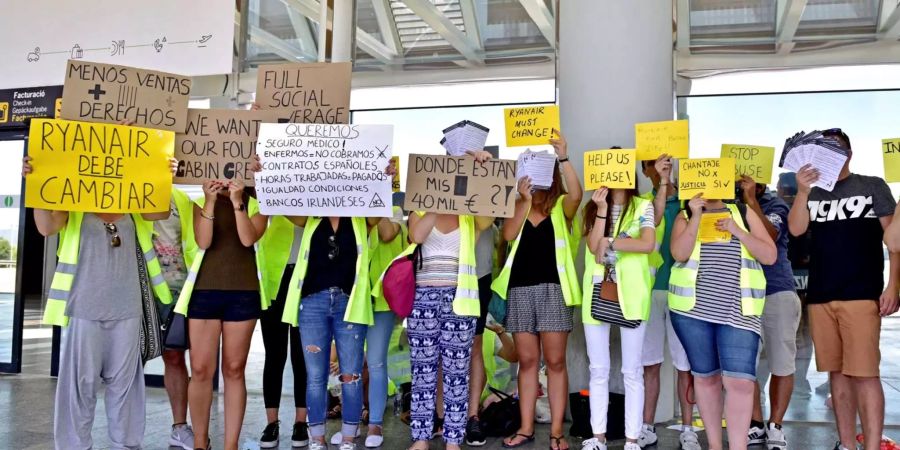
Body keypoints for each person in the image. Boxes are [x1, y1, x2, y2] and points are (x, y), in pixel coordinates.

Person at [24, 155, 176, 450]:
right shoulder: (76, 199)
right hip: (84, 308)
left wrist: (161, 173)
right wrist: (37, 183)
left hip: (128, 308)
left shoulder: (134, 197)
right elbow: (46, 226)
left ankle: (127, 445)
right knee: (80, 387)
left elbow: (158, 211)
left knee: (126, 389)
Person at [375, 149, 495, 450]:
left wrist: (481, 170)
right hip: (424, 299)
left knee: (457, 372)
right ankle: (421, 437)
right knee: (423, 370)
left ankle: (453, 438)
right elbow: (415, 236)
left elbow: (488, 216)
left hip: (461, 299)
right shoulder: (418, 208)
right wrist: (434, 203)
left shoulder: (470, 213)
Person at [788, 129, 899, 450]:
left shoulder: (872, 186)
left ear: (849, 153)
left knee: (865, 374)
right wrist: (802, 191)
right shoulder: (813, 193)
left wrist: (894, 285)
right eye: (822, 148)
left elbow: (894, 242)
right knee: (836, 375)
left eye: (835, 148)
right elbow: (796, 229)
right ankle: (847, 444)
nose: (829, 154)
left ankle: (873, 444)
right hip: (821, 296)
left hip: (862, 294)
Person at [279, 163, 400, 450]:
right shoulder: (310, 216)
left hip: (349, 302)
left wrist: (384, 180)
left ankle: (349, 434)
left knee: (351, 374)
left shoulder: (360, 218)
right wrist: (264, 175)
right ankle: (317, 436)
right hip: (312, 303)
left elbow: (383, 220)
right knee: (316, 376)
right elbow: (279, 200)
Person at [492, 131, 583, 450]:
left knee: (556, 362)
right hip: (519, 291)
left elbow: (577, 194)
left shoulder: (561, 206)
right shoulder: (517, 204)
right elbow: (508, 233)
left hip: (553, 292)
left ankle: (557, 430)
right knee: (527, 362)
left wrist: (564, 156)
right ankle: (527, 427)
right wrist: (524, 198)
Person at [669, 192, 776, 450]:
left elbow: (769, 255)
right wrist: (695, 216)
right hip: (693, 312)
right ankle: (716, 446)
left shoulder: (742, 212)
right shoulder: (685, 215)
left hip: (739, 310)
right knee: (705, 379)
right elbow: (679, 253)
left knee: (740, 381)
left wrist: (737, 230)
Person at [175, 179, 269, 450]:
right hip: (204, 290)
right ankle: (200, 443)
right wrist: (211, 200)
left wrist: (238, 200)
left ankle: (231, 446)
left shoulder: (261, 198)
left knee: (234, 369)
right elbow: (203, 240)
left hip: (243, 292)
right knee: (201, 369)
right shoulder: (200, 195)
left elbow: (247, 238)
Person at [578, 179, 656, 450]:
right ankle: (597, 437)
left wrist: (610, 241)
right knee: (598, 369)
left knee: (632, 371)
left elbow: (647, 244)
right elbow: (593, 249)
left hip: (633, 295)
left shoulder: (643, 206)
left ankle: (632, 439)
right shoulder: (592, 208)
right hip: (597, 291)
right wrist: (601, 209)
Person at [638, 156, 700, 450]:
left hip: (683, 293)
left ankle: (688, 428)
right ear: (645, 170)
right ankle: (646, 426)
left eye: (666, 161)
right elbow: (655, 220)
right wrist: (663, 184)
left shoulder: (692, 202)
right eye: (652, 163)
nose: (661, 166)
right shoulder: (643, 205)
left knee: (684, 364)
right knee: (649, 363)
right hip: (649, 292)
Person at [737, 175, 801, 450]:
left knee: (782, 362)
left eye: (750, 181)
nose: (743, 183)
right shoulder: (729, 206)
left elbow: (771, 237)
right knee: (743, 365)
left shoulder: (775, 205)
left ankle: (775, 425)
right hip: (741, 293)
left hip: (776, 290)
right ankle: (755, 423)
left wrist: (752, 201)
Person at [256, 215, 309, 449]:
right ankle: (271, 423)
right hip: (273, 277)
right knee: (274, 355)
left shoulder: (315, 185)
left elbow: (305, 219)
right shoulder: (270, 182)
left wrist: (281, 203)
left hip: (305, 276)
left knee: (301, 355)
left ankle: (301, 421)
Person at [355, 206, 406, 448]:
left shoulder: (394, 210)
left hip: (382, 300)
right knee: (351, 364)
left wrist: (375, 199)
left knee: (375, 362)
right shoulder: (350, 207)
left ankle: (375, 422)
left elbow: (387, 233)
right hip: (353, 296)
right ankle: (351, 421)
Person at [154, 186, 200, 450]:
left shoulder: (182, 198)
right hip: (140, 287)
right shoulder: (130, 189)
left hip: (178, 289)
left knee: (174, 356)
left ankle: (179, 427)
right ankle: (126, 427)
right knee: (126, 361)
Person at [466, 222, 501, 447]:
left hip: (479, 273)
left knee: (475, 345)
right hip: (442, 270)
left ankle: (472, 417)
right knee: (440, 346)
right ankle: (440, 415)